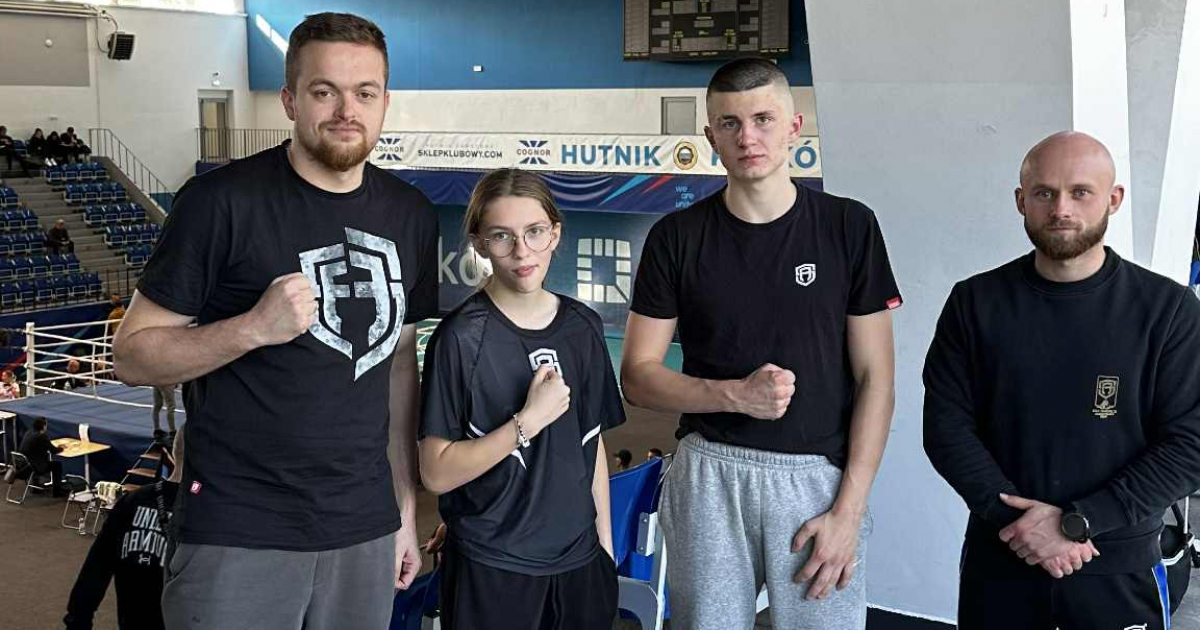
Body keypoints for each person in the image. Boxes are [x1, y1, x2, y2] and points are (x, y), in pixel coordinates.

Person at [111, 12, 438, 630]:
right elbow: (131, 356)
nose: (347, 110)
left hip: (363, 528)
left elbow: (398, 370)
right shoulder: (219, 202)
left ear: (385, 102)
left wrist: (402, 510)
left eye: (365, 93)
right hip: (240, 527)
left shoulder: (411, 215)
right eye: (325, 91)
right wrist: (251, 328)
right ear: (289, 100)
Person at [621, 58, 901, 630]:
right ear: (710, 137)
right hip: (709, 474)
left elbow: (877, 379)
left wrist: (849, 511)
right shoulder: (676, 238)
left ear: (795, 127)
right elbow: (638, 376)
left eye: (763, 119)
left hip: (816, 481)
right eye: (730, 123)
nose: (748, 138)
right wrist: (733, 395)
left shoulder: (849, 227)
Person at [923, 131, 1200, 630]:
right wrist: (1019, 525)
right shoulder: (975, 303)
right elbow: (946, 428)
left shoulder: (1168, 310)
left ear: (1113, 199)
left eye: (1080, 192)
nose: (1061, 209)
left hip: (1118, 564)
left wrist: (1079, 522)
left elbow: (1190, 443)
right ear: (1020, 200)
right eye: (1044, 192)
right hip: (1002, 558)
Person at [419, 168, 623, 630]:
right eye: (502, 236)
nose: (522, 251)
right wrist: (526, 423)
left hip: (580, 566)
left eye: (534, 232)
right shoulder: (460, 340)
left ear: (555, 233)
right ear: (479, 244)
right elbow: (435, 472)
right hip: (493, 568)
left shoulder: (583, 327)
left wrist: (604, 549)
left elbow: (590, 443)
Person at [63, 431, 185, 630]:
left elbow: (96, 568)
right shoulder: (210, 515)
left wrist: (77, 620)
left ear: (172, 455)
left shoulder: (132, 501)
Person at [5, 417, 64, 493]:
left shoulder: (29, 432)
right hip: (34, 467)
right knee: (57, 466)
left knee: (35, 459)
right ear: (43, 426)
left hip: (23, 465)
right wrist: (62, 448)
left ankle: (36, 487)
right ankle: (57, 491)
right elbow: (54, 451)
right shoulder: (41, 436)